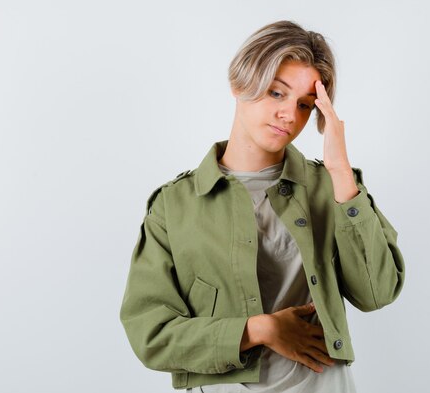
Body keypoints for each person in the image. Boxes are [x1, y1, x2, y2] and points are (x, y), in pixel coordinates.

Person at [119, 20, 405, 392]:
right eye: (276, 93)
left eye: (305, 105)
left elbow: (376, 293)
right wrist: (261, 329)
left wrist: (340, 171)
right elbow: (150, 334)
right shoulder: (174, 207)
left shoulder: (333, 188)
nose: (290, 115)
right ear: (240, 84)